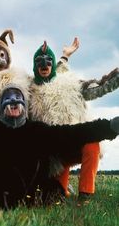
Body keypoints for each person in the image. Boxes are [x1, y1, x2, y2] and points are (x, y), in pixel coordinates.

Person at [29, 39, 119, 199]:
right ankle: (62, 189)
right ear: (35, 66)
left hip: (75, 139)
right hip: (53, 153)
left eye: (49, 61)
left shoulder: (68, 84)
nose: (44, 66)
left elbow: (96, 87)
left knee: (92, 145)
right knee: (57, 196)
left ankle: (86, 194)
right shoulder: (29, 90)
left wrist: (116, 78)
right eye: (40, 62)